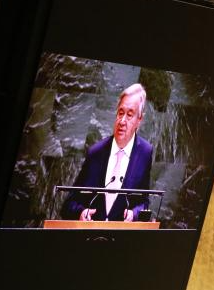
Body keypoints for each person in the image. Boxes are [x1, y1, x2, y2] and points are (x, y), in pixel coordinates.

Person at [61, 83, 153, 222]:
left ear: (139, 120)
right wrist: (81, 213)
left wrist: (133, 215)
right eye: (120, 113)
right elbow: (69, 204)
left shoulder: (145, 153)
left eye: (129, 115)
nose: (122, 121)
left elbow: (143, 202)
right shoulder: (96, 153)